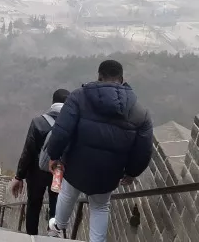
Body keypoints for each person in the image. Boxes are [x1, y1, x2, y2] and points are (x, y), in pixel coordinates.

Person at [46, 60, 153, 241]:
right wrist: (132, 172)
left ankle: (58, 227)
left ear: (99, 76)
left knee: (67, 194)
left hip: (76, 164)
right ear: (122, 79)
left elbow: (61, 131)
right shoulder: (140, 112)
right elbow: (144, 150)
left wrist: (53, 155)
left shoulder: (79, 97)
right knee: (101, 207)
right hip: (109, 172)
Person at [10, 88, 70, 235]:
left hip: (37, 171)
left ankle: (32, 236)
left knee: (33, 204)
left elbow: (28, 151)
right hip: (59, 172)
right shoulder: (71, 124)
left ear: (53, 102)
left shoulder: (38, 122)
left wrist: (19, 176)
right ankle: (53, 234)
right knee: (57, 204)